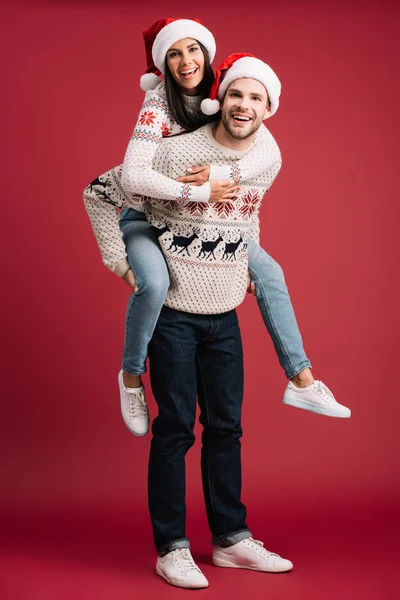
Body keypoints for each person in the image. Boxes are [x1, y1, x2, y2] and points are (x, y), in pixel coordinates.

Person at [83, 18, 351, 437]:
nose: (186, 61)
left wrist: (228, 176)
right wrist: (199, 193)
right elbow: (131, 179)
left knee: (272, 275)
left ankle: (302, 379)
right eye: (174, 53)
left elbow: (265, 161)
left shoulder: (224, 97)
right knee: (152, 284)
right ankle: (131, 377)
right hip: (147, 212)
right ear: (163, 64)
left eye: (193, 51)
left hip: (206, 218)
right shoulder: (158, 106)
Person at [144, 54, 297, 589]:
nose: (244, 105)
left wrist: (246, 263)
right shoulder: (178, 148)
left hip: (224, 313)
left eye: (256, 98)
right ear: (220, 97)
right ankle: (172, 547)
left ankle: (231, 540)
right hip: (172, 316)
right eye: (237, 94)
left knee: (227, 428)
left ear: (268, 108)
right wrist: (131, 266)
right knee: (175, 428)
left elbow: (247, 217)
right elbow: (116, 190)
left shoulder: (266, 158)